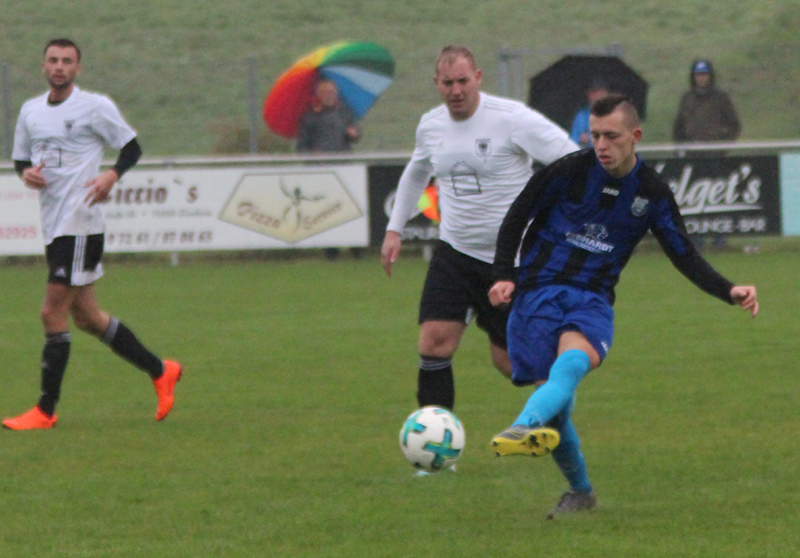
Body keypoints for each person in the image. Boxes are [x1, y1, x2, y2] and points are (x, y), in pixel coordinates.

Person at [488, 94, 758, 518]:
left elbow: (682, 252)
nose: (601, 144)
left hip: (591, 299)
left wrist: (729, 290)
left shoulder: (650, 191)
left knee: (573, 362)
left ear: (635, 136)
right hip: (538, 291)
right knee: (557, 402)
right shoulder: (569, 171)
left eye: (611, 136)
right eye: (595, 135)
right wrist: (504, 273)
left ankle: (524, 425)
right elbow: (517, 214)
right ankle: (581, 492)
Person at [381, 45, 578, 415]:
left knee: (510, 363)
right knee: (434, 343)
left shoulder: (512, 118)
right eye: (447, 83)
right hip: (455, 252)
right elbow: (417, 172)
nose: (456, 91)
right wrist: (395, 230)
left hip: (510, 261)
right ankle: (436, 453)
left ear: (478, 79)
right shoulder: (431, 125)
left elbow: (569, 157)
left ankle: (555, 426)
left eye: (463, 81)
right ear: (436, 83)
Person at [3, 38, 183, 430]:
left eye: (67, 61)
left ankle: (45, 411)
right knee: (86, 316)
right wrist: (25, 174)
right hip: (54, 225)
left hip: (81, 222)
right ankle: (160, 370)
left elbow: (131, 147)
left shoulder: (94, 106)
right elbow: (20, 159)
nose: (59, 66)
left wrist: (111, 173)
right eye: (53, 60)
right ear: (43, 65)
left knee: (51, 312)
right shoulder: (31, 111)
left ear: (78, 68)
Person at [672, 59, 741, 143]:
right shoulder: (687, 99)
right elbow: (678, 127)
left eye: (704, 74)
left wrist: (722, 145)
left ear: (710, 76)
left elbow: (734, 125)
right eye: (698, 75)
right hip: (691, 152)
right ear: (693, 77)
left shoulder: (721, 98)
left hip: (714, 152)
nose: (701, 78)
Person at [296, 79, 360, 153]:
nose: (329, 95)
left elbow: (355, 134)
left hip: (343, 160)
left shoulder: (344, 112)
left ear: (336, 94)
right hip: (320, 162)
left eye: (332, 92)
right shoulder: (309, 116)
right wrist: (312, 154)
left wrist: (354, 134)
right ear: (318, 94)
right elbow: (302, 146)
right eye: (325, 92)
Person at [569, 80, 610, 148]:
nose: (595, 96)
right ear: (588, 94)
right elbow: (573, 140)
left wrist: (590, 139)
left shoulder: (616, 114)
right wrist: (580, 139)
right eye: (592, 92)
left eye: (598, 92)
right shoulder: (582, 116)